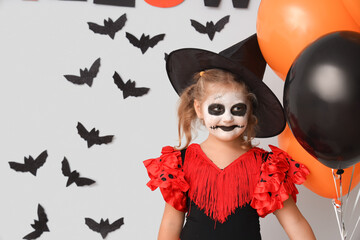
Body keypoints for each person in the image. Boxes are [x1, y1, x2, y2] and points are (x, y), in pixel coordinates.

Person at [144, 34, 316, 240]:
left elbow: (295, 223)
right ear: (199, 108)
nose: (227, 118)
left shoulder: (266, 167)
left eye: (237, 109)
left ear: (250, 111)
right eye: (217, 108)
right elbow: (170, 223)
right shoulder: (180, 163)